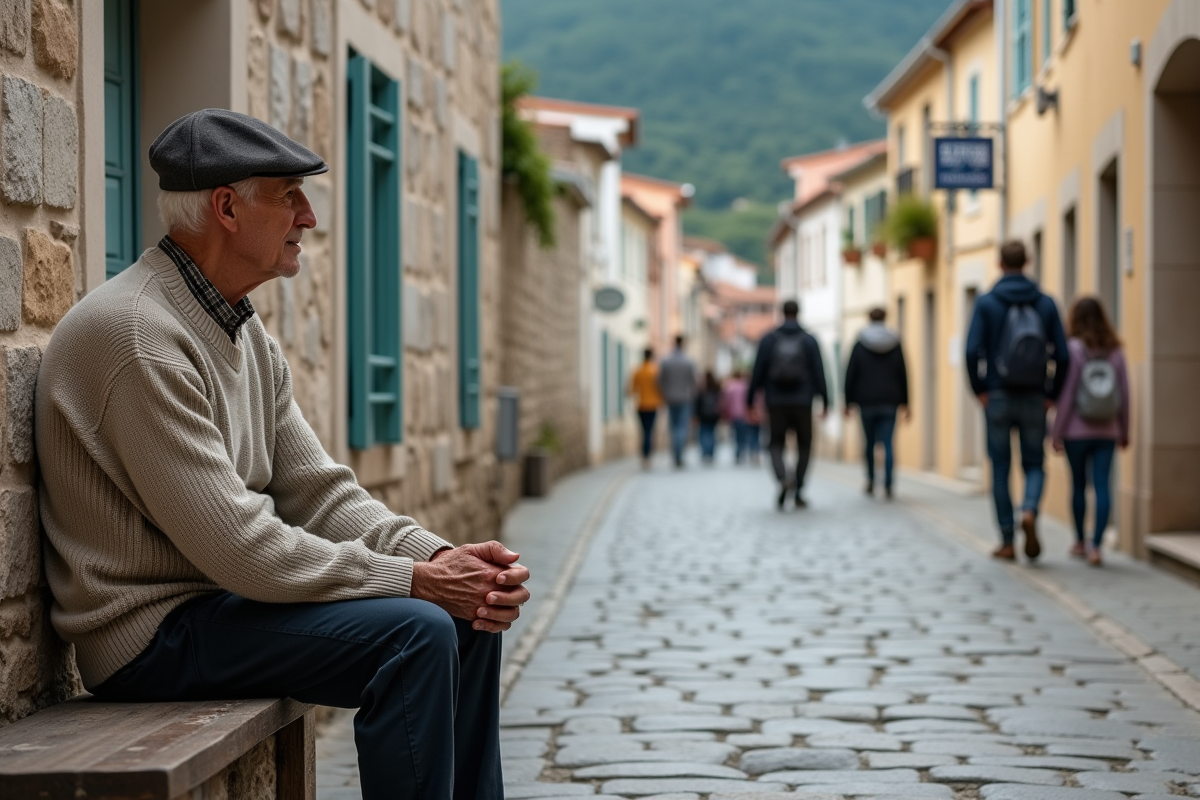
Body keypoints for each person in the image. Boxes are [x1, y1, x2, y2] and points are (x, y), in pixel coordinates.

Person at [34, 110, 527, 800]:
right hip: (152, 637)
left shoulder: (237, 327)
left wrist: (446, 560)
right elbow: (240, 547)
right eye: (289, 195)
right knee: (415, 631)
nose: (309, 217)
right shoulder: (138, 336)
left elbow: (319, 494)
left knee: (465, 619)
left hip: (221, 609)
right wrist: (414, 581)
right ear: (227, 208)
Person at [965, 239, 1069, 563]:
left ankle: (1007, 541)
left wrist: (980, 389)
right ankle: (1029, 509)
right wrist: (1051, 394)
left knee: (1000, 467)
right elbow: (1063, 355)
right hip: (1035, 396)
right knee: (1034, 463)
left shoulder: (987, 302)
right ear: (1028, 261)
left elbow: (972, 350)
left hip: (997, 395)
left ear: (1000, 263)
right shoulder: (1046, 303)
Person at [1050, 297, 1130, 567]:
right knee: (1102, 484)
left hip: (1076, 431)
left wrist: (1056, 431)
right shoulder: (1115, 350)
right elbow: (1125, 394)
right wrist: (1124, 430)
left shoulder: (1073, 348)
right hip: (1107, 430)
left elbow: (1067, 394)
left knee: (1078, 485)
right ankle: (1097, 546)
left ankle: (1079, 541)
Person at [748, 299, 829, 509]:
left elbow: (757, 371)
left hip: (776, 401)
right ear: (799, 312)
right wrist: (826, 400)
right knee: (805, 445)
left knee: (775, 443)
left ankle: (783, 478)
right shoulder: (809, 340)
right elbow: (819, 371)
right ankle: (799, 489)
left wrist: (750, 401)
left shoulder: (769, 339)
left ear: (782, 313)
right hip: (803, 401)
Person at [844, 307, 910, 499]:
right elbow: (903, 373)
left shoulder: (860, 343)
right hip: (890, 401)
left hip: (866, 401)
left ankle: (871, 481)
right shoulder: (895, 342)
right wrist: (906, 402)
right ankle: (889, 484)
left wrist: (848, 401)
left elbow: (851, 373)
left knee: (870, 443)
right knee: (888, 443)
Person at [657, 334, 698, 467]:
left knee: (673, 427)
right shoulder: (689, 361)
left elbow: (660, 380)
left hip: (670, 398)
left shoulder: (666, 361)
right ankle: (679, 455)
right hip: (685, 398)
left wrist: (664, 393)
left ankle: (676, 454)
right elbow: (694, 381)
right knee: (682, 427)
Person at [629, 347, 664, 468]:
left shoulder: (638, 371)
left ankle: (644, 455)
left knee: (644, 431)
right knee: (650, 430)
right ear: (651, 357)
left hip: (641, 405)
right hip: (653, 405)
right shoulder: (655, 371)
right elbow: (660, 388)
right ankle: (647, 455)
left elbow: (632, 390)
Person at [721, 368, 752, 464]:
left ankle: (738, 452)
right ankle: (742, 450)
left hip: (734, 414)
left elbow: (726, 401)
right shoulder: (746, 386)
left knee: (736, 434)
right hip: (745, 414)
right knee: (744, 434)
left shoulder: (730, 386)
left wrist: (725, 412)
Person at [695, 370, 723, 463]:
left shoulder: (701, 389)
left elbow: (697, 403)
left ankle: (705, 453)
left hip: (703, 415)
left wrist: (695, 415)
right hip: (714, 415)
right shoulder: (717, 388)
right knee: (712, 434)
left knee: (703, 434)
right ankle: (710, 453)